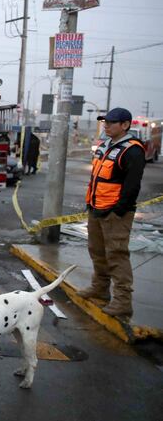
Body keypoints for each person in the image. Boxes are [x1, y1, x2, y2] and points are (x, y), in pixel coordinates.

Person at [78, 108, 146, 319]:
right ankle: (100, 288)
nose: (106, 126)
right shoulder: (105, 146)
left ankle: (123, 302)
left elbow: (132, 186)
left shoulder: (132, 150)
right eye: (105, 122)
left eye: (111, 123)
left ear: (125, 125)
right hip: (96, 209)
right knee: (97, 252)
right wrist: (92, 205)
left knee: (116, 255)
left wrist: (118, 211)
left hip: (115, 214)